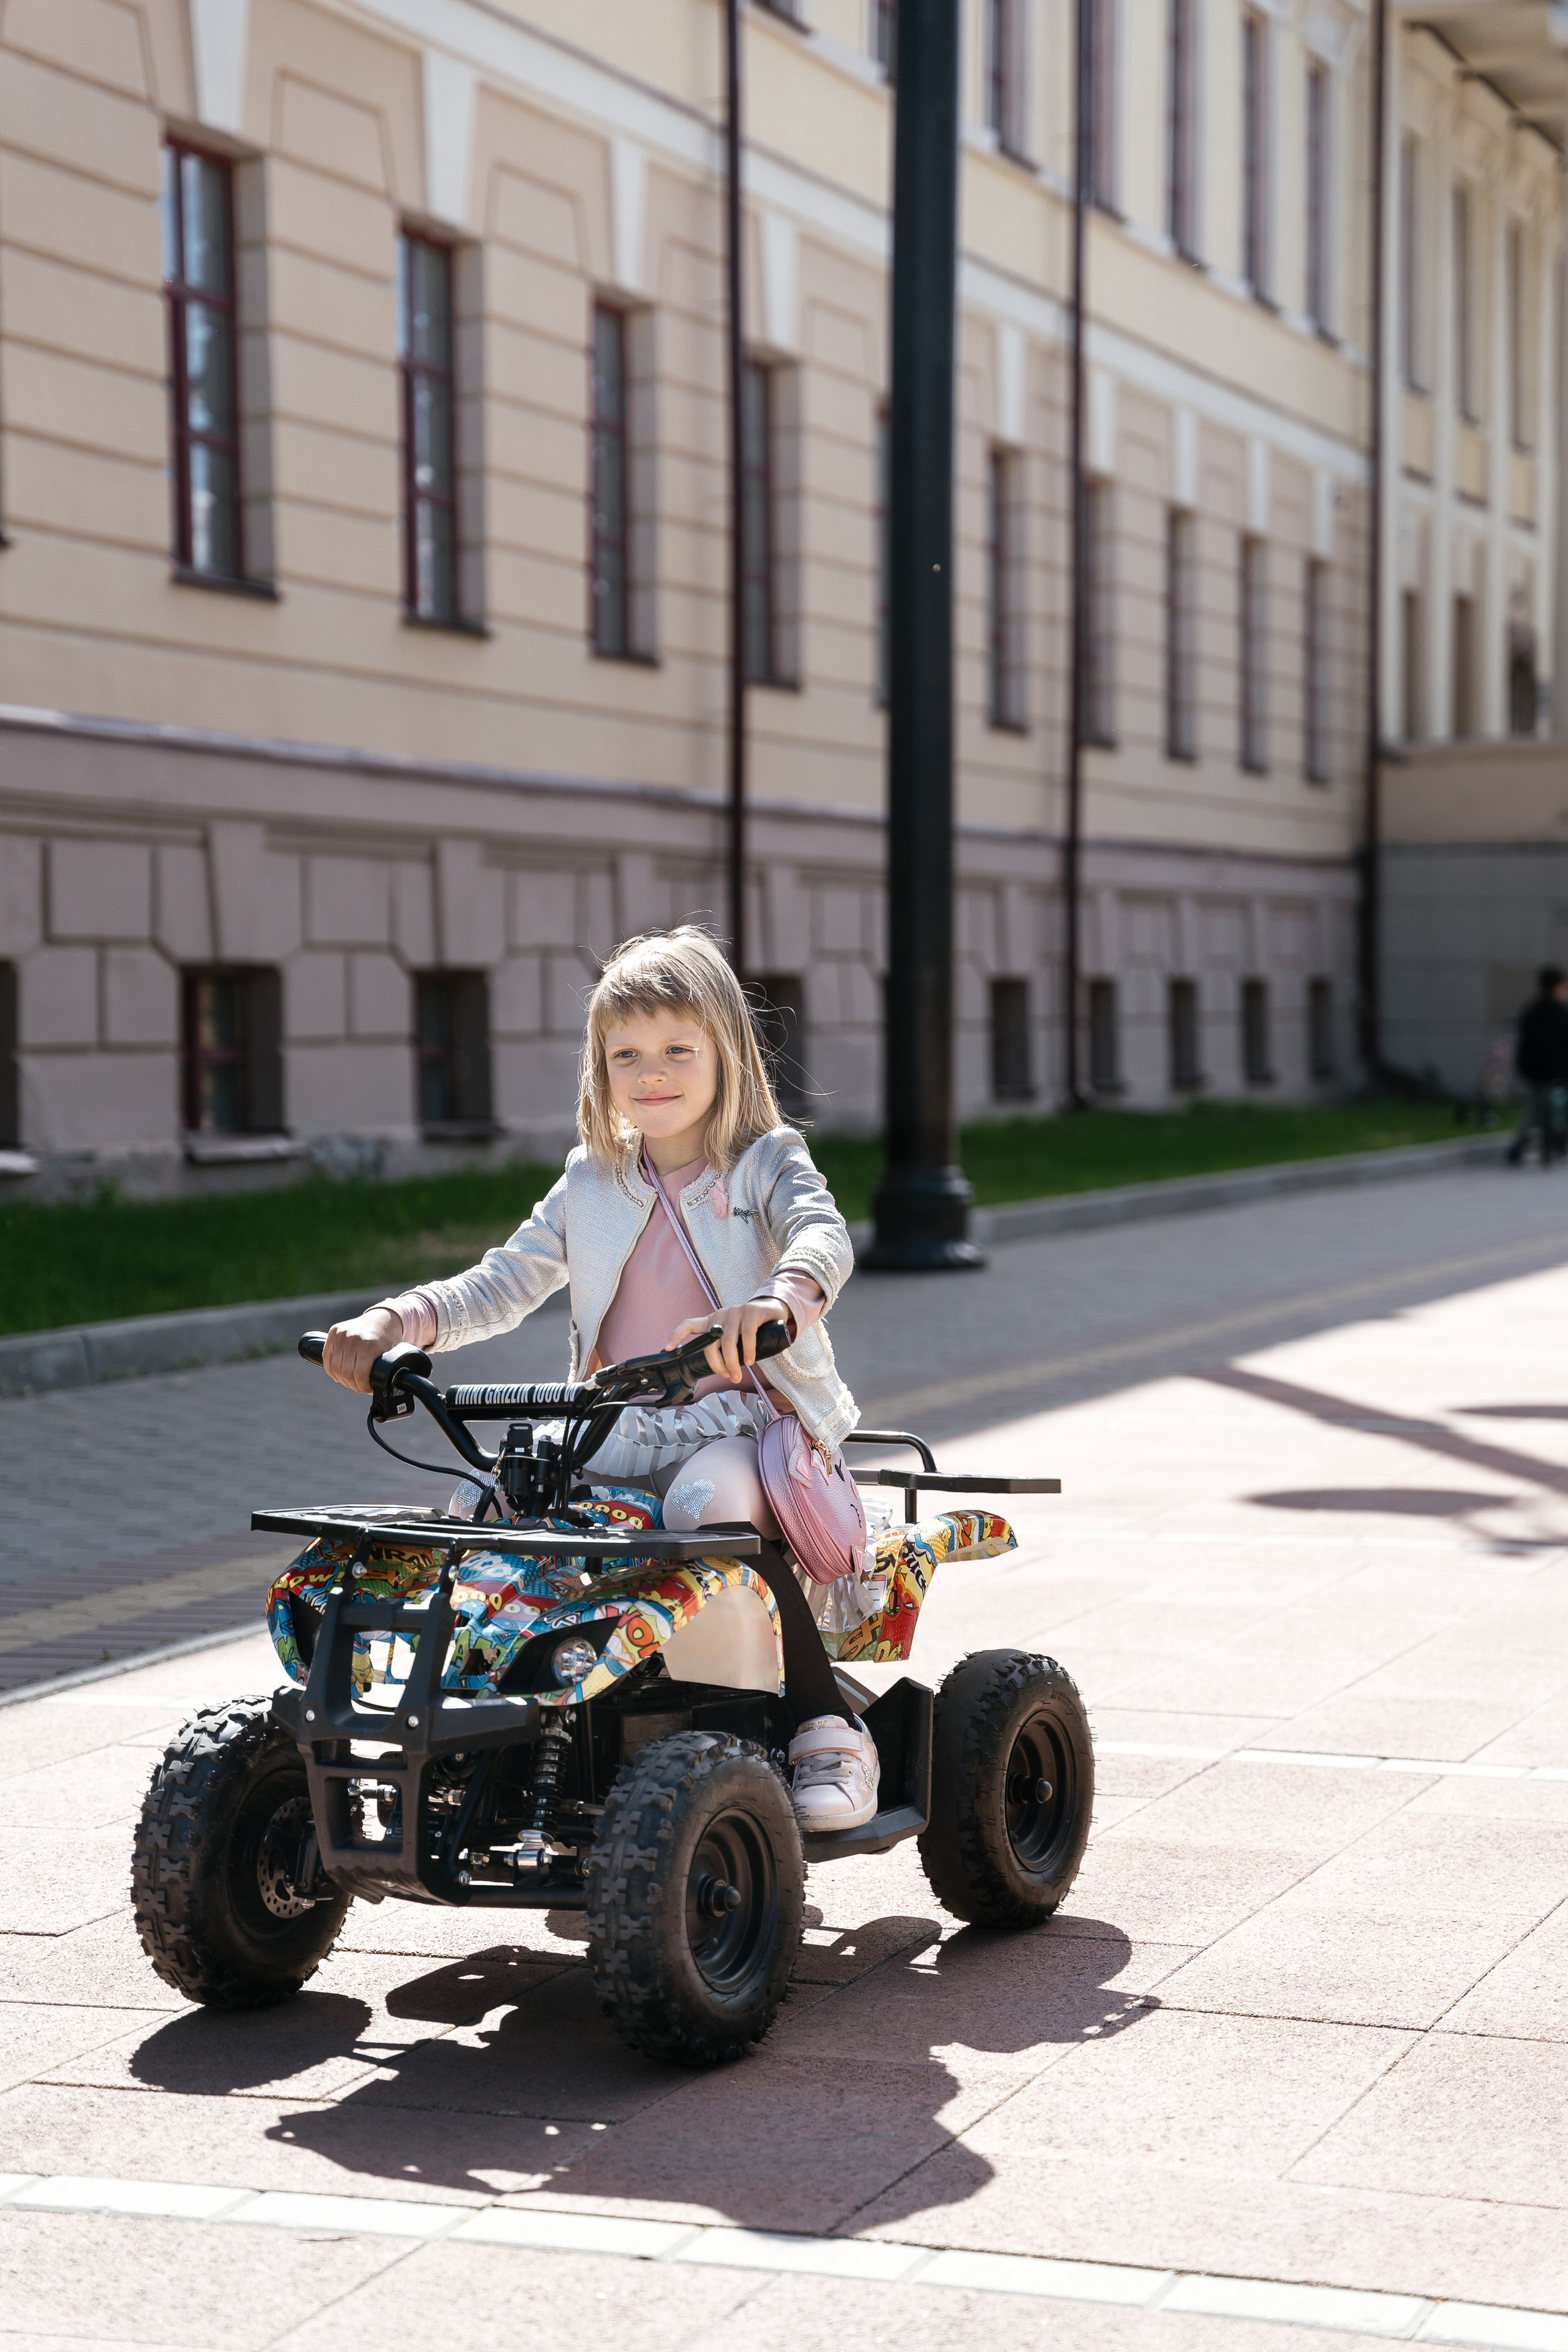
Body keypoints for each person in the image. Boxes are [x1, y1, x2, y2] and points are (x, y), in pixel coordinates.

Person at [322, 925, 878, 1831]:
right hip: (611, 1421)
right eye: (627, 1054)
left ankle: (822, 1720)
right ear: (600, 1065)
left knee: (706, 1505)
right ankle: (502, 1720)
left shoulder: (767, 1160)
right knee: (491, 1506)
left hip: (740, 1423)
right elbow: (505, 1280)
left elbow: (824, 1236)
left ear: (726, 1053)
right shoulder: (593, 1179)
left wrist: (776, 1302)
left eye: (676, 1050)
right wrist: (396, 1321)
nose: (650, 1072)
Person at [1506, 965, 1568, 1167]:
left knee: (1538, 1108)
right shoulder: (1558, 1012)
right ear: (1557, 986)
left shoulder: (1532, 1010)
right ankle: (1543, 1146)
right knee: (1547, 1109)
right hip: (1552, 1071)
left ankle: (1529, 1145)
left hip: (1533, 1070)